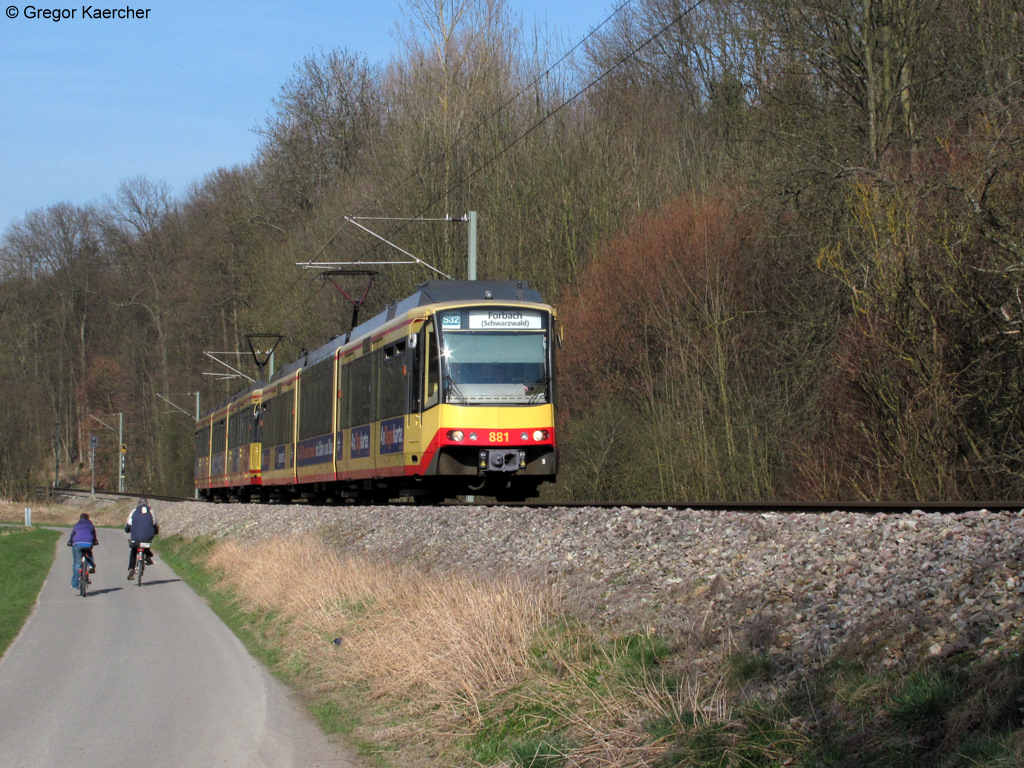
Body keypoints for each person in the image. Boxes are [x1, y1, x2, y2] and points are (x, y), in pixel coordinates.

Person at [125, 497, 158, 580]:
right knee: (146, 542)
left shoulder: (134, 512)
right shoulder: (151, 512)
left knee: (133, 550)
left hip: (135, 538)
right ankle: (147, 556)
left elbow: (128, 524)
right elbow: (155, 524)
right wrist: (156, 532)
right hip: (147, 538)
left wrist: (127, 530)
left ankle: (131, 568)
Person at [68, 512, 98, 590]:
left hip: (77, 544)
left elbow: (72, 535)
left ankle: (74, 585)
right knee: (89, 553)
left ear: (80, 518)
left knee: (76, 565)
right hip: (88, 543)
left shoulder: (77, 525)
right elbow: (94, 535)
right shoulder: (90, 525)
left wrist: (70, 541)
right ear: (88, 518)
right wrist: (94, 541)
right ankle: (91, 565)